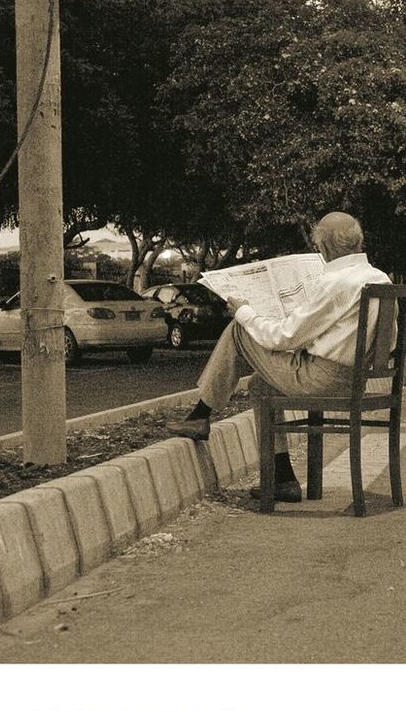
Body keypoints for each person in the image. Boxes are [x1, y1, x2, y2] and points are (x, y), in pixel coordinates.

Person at [166, 212, 391, 502]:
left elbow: (283, 337)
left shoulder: (335, 282)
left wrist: (245, 312)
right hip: (356, 381)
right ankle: (283, 479)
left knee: (239, 329)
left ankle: (201, 414)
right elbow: (388, 342)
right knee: (260, 385)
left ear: (324, 247)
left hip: (322, 381)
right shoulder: (380, 279)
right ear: (358, 242)